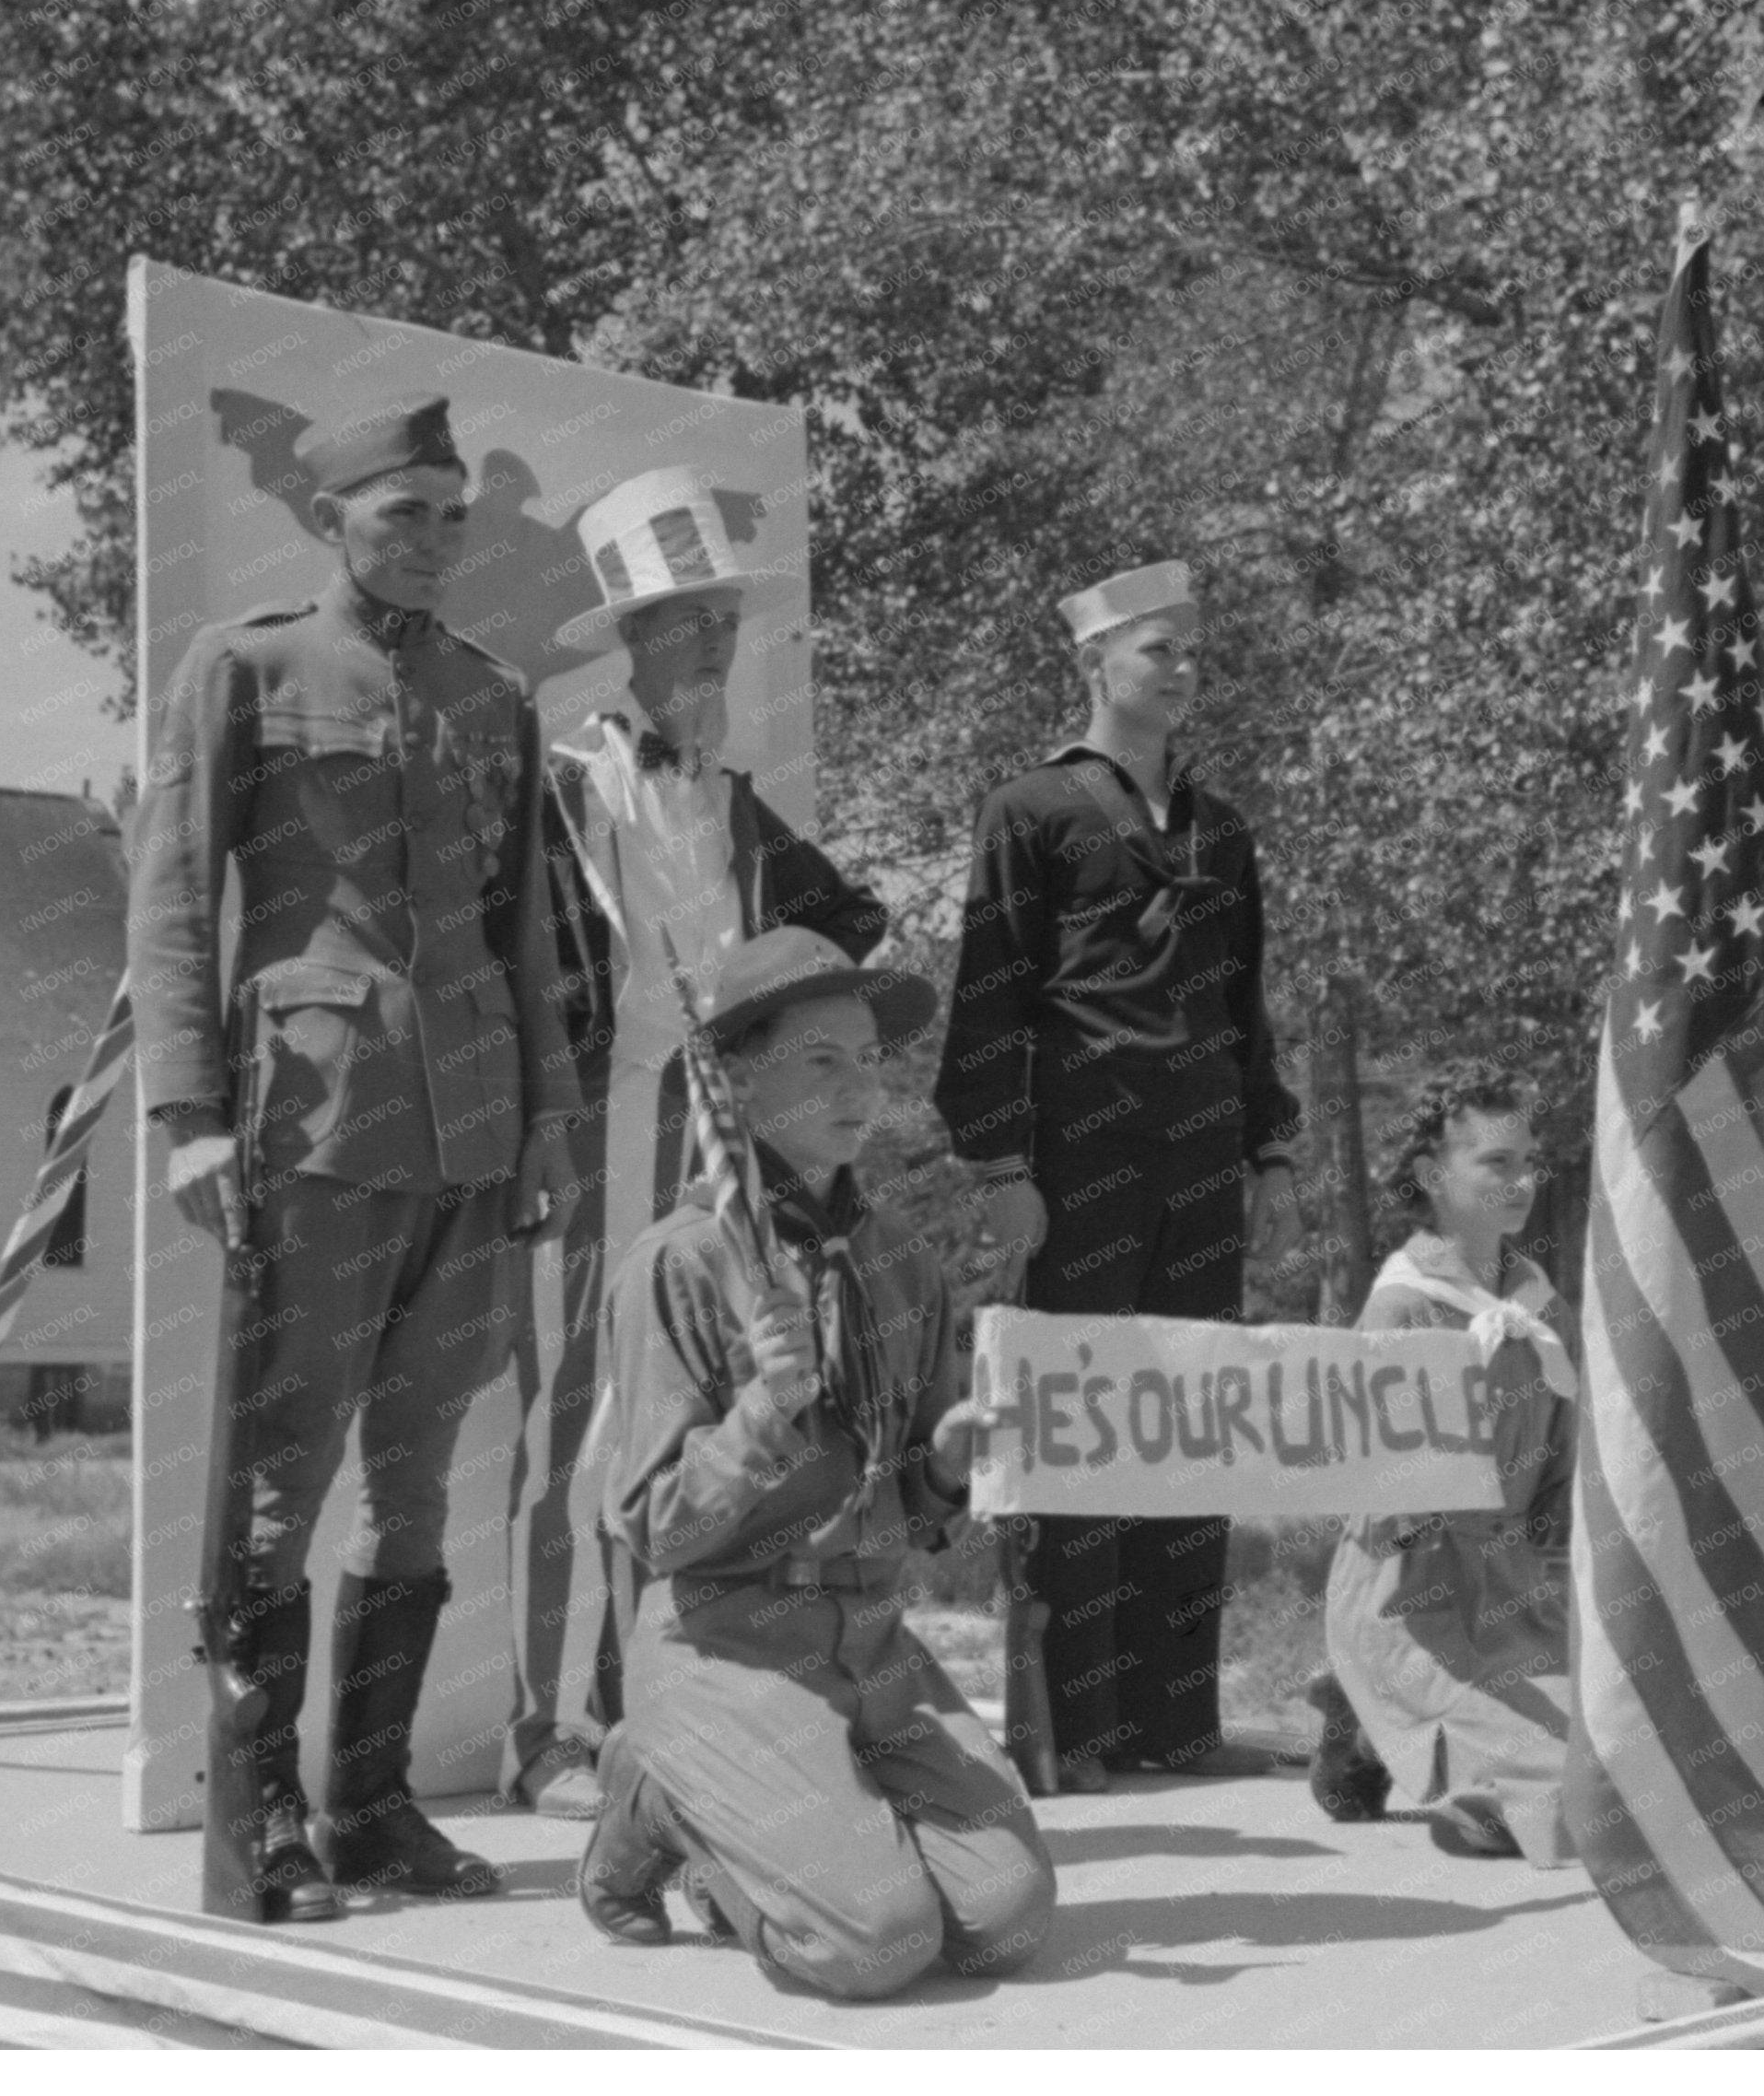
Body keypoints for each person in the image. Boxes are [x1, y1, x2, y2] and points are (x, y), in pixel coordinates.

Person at [128, 392, 581, 1915]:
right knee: (277, 1484)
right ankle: (249, 1829)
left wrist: (544, 1126)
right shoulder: (245, 667)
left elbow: (525, 928)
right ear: (333, 519)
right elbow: (176, 904)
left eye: (453, 513)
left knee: (414, 1483)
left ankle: (370, 1809)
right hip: (313, 1125)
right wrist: (190, 1117)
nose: (436, 540)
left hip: (465, 1127)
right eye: (406, 515)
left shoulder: (490, 693)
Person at [578, 927, 1056, 2003]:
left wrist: (945, 1466)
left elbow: (911, 1503)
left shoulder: (897, 1261)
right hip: (729, 1640)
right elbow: (652, 1526)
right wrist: (760, 1410)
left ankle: (800, 1827)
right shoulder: (685, 1264)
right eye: (821, 1059)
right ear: (737, 1084)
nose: (859, 1086)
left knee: (1004, 1917)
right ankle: (659, 1792)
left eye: (870, 1060)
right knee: (875, 1942)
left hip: (871, 1639)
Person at [517, 467, 895, 1813]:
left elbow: (851, 922)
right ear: (631, 638)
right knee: (577, 1425)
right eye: (687, 625)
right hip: (603, 1126)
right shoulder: (564, 785)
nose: (713, 648)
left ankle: (656, 1710)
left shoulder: (731, 802)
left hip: (723, 1143)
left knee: (702, 1418)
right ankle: (547, 1733)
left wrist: (786, 1005)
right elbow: (519, 966)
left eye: (725, 623)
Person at [932, 559, 1302, 1790]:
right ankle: (1071, 1731)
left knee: (1186, 1430)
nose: (1183, 670)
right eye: (1159, 650)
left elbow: (1246, 1004)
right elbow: (988, 993)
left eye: (1193, 650)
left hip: (1200, 1162)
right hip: (1078, 1165)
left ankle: (1170, 1720)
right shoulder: (1029, 811)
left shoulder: (1223, 827)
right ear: (1094, 663)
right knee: (1079, 1437)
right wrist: (999, 1164)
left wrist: (1269, 1147)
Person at [1315, 1064, 1578, 1861]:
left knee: (1626, 1761)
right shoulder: (1404, 1305)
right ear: (1434, 1176)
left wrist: (1553, 1568)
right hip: (1410, 1588)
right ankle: (1376, 1717)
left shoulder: (1539, 1308)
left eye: (1528, 1159)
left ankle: (1363, 1722)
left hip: (1510, 1583)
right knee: (1542, 1802)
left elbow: (1559, 1459)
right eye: (1495, 1163)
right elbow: (1365, 1474)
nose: (1522, 1179)